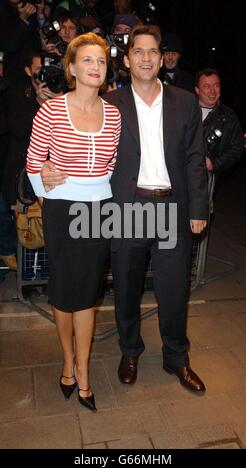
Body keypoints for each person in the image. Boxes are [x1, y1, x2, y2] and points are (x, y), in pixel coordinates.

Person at [40, 24, 209, 394]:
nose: (146, 58)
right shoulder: (111, 105)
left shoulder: (184, 102)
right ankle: (130, 350)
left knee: (174, 289)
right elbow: (74, 132)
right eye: (139, 51)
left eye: (153, 51)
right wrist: (44, 171)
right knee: (127, 288)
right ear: (128, 58)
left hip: (171, 209)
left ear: (161, 57)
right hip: (126, 209)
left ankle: (177, 357)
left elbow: (196, 159)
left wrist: (199, 207)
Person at [26, 33, 121, 411]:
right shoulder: (51, 111)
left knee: (88, 295)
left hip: (99, 211)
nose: (95, 67)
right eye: (87, 60)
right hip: (62, 211)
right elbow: (34, 164)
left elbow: (111, 166)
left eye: (100, 61)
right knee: (64, 296)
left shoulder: (114, 114)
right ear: (71, 68)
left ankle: (82, 371)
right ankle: (67, 360)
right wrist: (49, 193)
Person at [195, 68, 243, 175]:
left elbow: (237, 148)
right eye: (207, 86)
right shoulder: (185, 111)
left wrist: (214, 164)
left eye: (216, 86)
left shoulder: (229, 116)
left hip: (207, 180)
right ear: (197, 90)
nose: (212, 91)